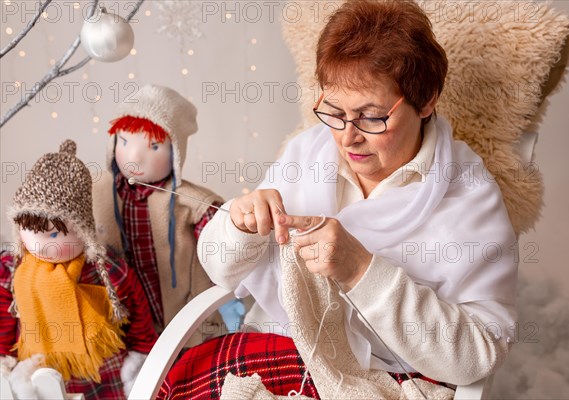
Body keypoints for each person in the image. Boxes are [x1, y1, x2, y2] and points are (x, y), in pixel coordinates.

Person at [158, 1, 517, 398]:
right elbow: (218, 266)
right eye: (334, 111)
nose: (348, 137)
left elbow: (479, 353)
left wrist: (362, 270)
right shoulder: (306, 153)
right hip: (278, 348)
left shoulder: (469, 195)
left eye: (371, 117)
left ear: (427, 99)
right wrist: (239, 227)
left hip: (387, 375)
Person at [0, 140, 157, 399]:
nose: (39, 244)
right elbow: (4, 320)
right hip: (38, 373)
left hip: (101, 371)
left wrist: (141, 353)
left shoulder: (104, 271)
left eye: (52, 235)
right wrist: (5, 357)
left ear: (82, 232)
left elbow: (136, 313)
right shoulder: (12, 270)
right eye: (29, 231)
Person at [92, 84, 229, 345]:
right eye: (124, 141)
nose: (134, 157)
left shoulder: (189, 202)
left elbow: (223, 244)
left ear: (175, 152)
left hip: (181, 317)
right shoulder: (97, 191)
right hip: (123, 320)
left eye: (154, 147)